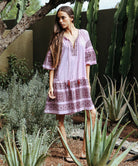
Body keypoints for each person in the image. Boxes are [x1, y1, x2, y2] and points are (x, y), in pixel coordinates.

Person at [43, 6, 97, 163]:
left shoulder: (84, 34)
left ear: (71, 18)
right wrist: (51, 86)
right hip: (61, 82)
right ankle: (67, 153)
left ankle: (84, 151)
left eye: (63, 18)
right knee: (60, 120)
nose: (60, 21)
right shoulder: (57, 38)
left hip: (80, 82)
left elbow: (88, 59)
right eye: (58, 19)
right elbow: (52, 63)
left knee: (92, 114)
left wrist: (87, 81)